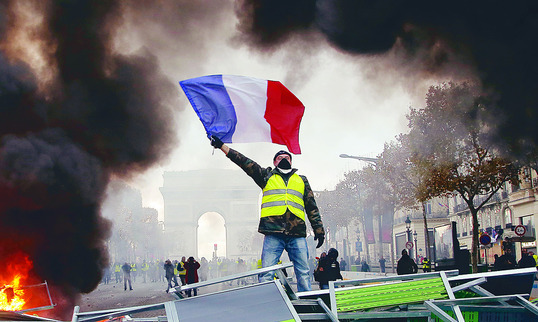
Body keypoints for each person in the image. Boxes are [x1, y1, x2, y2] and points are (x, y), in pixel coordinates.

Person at [210, 136, 325, 292]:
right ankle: (268, 301)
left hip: (296, 233)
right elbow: (244, 162)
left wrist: (319, 230)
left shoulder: (302, 180)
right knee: (266, 273)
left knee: (303, 273)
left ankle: (307, 305)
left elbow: (312, 207)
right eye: (280, 157)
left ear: (291, 161)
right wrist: (223, 147)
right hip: (273, 232)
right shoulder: (266, 176)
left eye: (287, 157)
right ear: (274, 162)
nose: (284, 159)